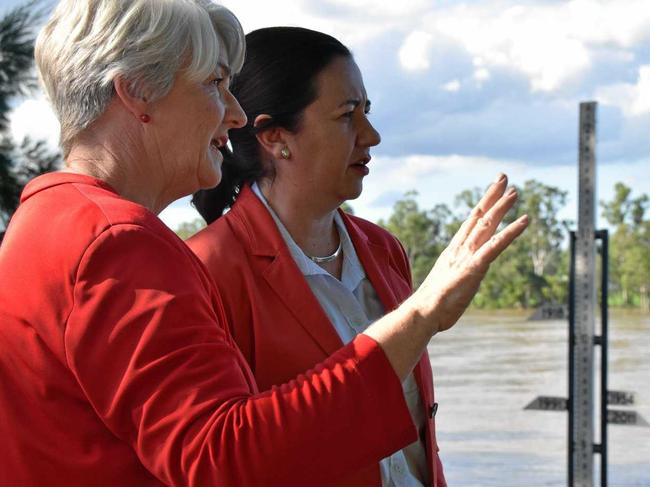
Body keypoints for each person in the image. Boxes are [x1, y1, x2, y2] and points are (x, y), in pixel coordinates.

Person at [0, 1, 527, 486]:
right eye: (214, 84)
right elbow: (223, 459)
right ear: (137, 91)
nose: (234, 114)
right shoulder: (119, 243)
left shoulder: (42, 217)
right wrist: (422, 316)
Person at [188, 27, 451, 486]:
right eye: (347, 115)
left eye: (367, 112)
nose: (372, 136)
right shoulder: (207, 270)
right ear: (274, 137)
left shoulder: (385, 250)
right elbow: (226, 460)